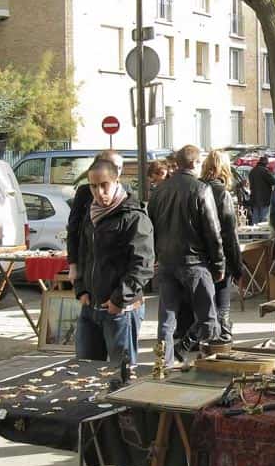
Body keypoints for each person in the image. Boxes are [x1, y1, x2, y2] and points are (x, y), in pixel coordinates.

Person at [147, 144, 225, 365]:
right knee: (209, 319)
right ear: (195, 163)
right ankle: (207, 366)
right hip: (194, 262)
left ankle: (164, 365)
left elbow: (151, 227)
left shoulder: (159, 190)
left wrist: (156, 256)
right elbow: (213, 230)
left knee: (167, 320)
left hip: (167, 261)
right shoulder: (201, 189)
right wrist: (219, 264)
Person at [73, 161, 154, 365]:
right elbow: (84, 253)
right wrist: (80, 288)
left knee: (122, 373)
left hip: (120, 310)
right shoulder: (91, 214)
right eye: (93, 186)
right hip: (91, 307)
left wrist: (119, 299)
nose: (99, 192)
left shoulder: (133, 216)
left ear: (116, 181)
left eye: (104, 185)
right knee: (85, 370)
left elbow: (142, 265)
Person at [201, 150, 243, 346]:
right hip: (220, 255)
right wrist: (237, 265)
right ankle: (223, 337)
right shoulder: (221, 193)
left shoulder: (198, 188)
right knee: (222, 303)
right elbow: (229, 232)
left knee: (206, 302)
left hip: (200, 256)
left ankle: (209, 338)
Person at [66, 149, 124, 282]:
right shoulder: (84, 193)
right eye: (114, 166)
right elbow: (74, 228)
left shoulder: (127, 199)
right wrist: (73, 265)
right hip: (89, 261)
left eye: (120, 167)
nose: (117, 170)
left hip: (115, 269)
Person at [248, 155, 275, 226]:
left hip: (254, 199)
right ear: (266, 163)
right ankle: (263, 236)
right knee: (264, 221)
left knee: (255, 220)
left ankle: (255, 235)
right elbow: (274, 181)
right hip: (265, 199)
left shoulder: (252, 171)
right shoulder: (265, 171)